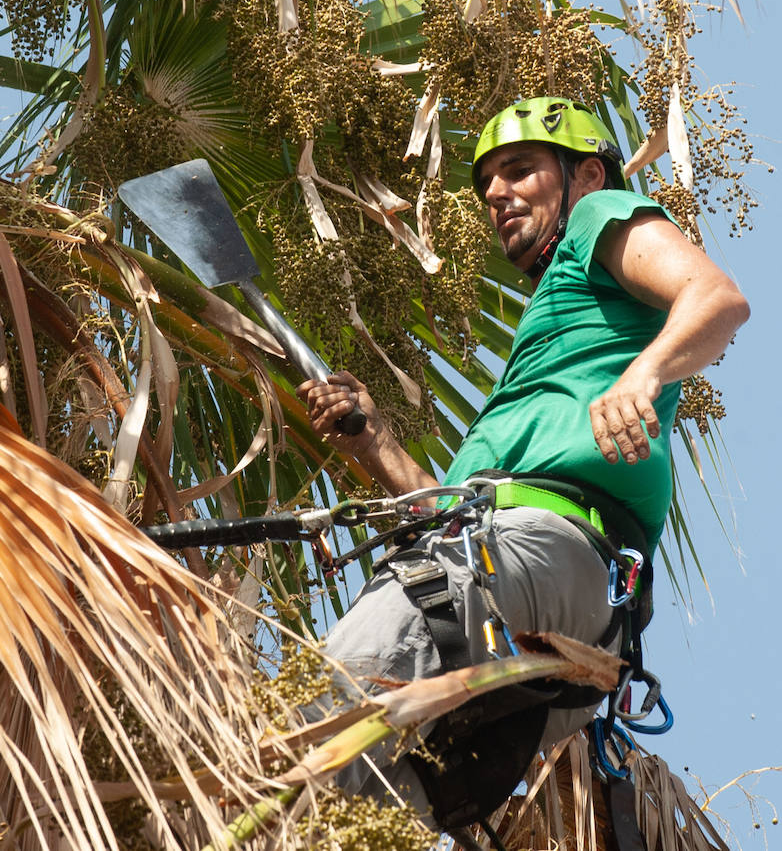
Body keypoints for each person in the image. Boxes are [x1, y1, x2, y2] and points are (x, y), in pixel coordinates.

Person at [296, 97, 750, 830]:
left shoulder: (601, 218)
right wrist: (371, 437)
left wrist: (645, 375)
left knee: (319, 716)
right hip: (528, 582)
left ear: (586, 177)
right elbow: (443, 510)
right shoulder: (547, 353)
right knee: (363, 810)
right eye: (487, 186)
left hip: (547, 556)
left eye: (519, 170)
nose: (497, 195)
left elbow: (716, 297)